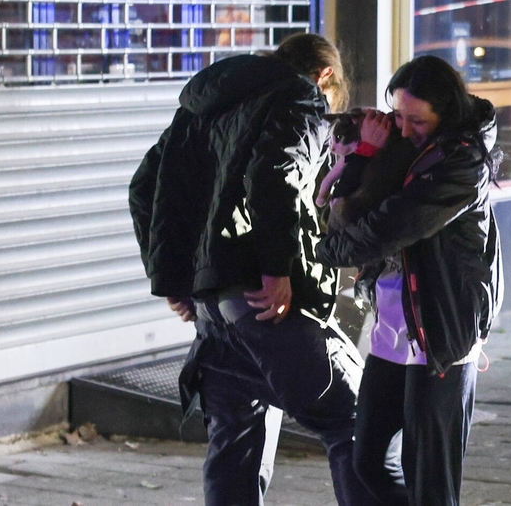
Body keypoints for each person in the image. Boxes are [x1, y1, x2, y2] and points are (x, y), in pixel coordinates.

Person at [128, 32, 378, 506]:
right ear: (324, 76)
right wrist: (276, 270)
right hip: (262, 302)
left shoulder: (200, 107)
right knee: (355, 419)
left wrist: (173, 278)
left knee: (236, 445)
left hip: (212, 312)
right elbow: (276, 175)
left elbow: (144, 188)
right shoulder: (298, 97)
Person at [316, 55, 503, 506]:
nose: (402, 128)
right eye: (397, 115)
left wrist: (321, 253)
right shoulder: (404, 149)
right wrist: (364, 154)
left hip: (440, 327)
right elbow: (353, 211)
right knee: (369, 462)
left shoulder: (462, 162)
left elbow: (388, 226)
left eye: (415, 119)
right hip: (392, 324)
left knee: (431, 481)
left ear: (447, 114)